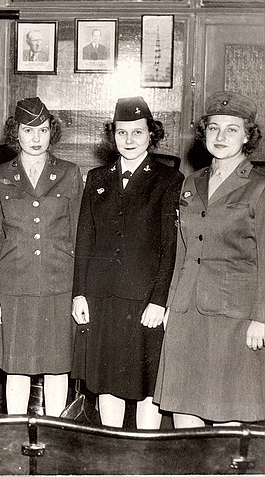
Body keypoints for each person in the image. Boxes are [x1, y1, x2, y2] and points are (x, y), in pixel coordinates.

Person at [71, 96, 183, 429]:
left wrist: (159, 301)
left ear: (152, 134)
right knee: (106, 380)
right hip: (103, 298)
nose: (129, 141)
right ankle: (112, 446)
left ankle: (144, 451)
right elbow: (84, 241)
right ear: (112, 136)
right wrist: (80, 293)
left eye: (137, 132)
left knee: (146, 382)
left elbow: (170, 246)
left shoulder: (168, 179)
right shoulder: (97, 178)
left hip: (143, 300)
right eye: (122, 133)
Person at [155, 91, 265, 427]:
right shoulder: (192, 182)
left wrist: (260, 318)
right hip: (187, 310)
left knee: (227, 414)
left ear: (248, 136)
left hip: (234, 316)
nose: (220, 137)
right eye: (214, 128)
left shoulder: (258, 188)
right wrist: (171, 304)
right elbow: (183, 251)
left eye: (232, 129)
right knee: (183, 409)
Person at [0, 97, 82, 417]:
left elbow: (80, 236)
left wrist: (80, 293)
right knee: (17, 369)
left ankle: (54, 433)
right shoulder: (0, 175)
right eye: (28, 130)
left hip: (59, 282)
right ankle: (15, 433)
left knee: (57, 368)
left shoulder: (69, 173)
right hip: (15, 284)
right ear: (17, 134)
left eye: (42, 130)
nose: (36, 138)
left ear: (51, 132)